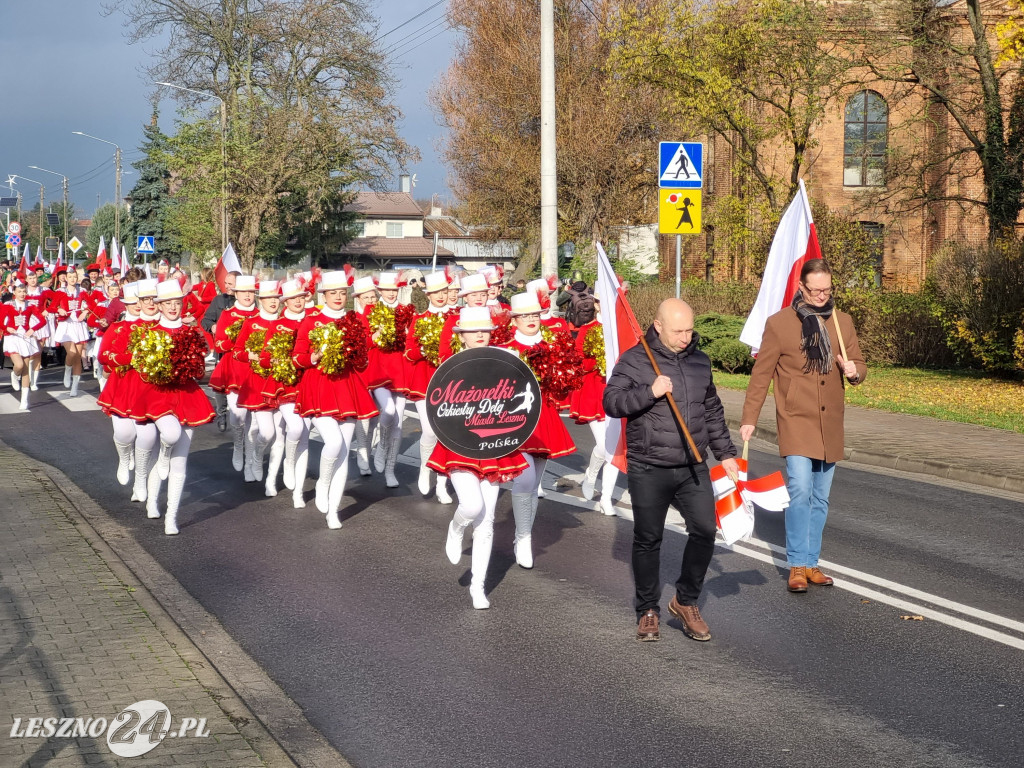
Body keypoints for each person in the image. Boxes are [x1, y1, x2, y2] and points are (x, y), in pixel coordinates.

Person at [603, 298, 739, 643]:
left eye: (689, 329)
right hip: (649, 466)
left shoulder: (699, 361)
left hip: (693, 464)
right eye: (678, 330)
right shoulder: (636, 360)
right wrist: (649, 392)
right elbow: (611, 402)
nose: (685, 336)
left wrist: (725, 454)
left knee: (706, 531)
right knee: (649, 539)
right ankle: (647, 609)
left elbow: (712, 410)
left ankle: (685, 600)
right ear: (658, 325)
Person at [739, 258, 866, 593]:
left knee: (821, 498)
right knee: (800, 491)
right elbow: (761, 375)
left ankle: (812, 563)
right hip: (796, 420)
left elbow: (859, 366)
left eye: (827, 290)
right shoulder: (780, 324)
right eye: (816, 290)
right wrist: (749, 419)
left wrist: (854, 372)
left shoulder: (843, 322)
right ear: (802, 288)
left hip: (830, 423)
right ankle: (796, 564)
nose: (822, 295)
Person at [429, 306, 528, 610]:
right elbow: (440, 407)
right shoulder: (450, 365)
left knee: (487, 522)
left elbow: (520, 399)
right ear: (462, 336)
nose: (481, 334)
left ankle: (478, 586)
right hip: (459, 445)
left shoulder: (504, 361)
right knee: (472, 506)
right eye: (474, 330)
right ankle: (457, 528)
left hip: (495, 446)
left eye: (484, 329)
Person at [292, 271, 378, 529]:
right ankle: (323, 482)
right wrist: (315, 357)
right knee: (334, 442)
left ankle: (334, 510)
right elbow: (298, 357)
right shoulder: (312, 320)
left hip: (348, 387)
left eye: (342, 293)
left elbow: (363, 362)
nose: (339, 297)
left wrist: (359, 353)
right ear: (324, 295)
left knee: (344, 452)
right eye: (333, 293)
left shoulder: (355, 320)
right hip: (319, 386)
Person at [502, 291, 580, 569]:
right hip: (515, 420)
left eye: (535, 314)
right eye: (525, 315)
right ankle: (522, 537)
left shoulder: (552, 344)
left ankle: (524, 535)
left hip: (544, 416)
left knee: (535, 483)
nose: (531, 319)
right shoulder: (505, 347)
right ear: (515, 320)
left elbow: (565, 384)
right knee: (523, 479)